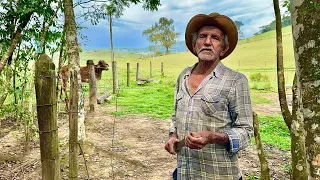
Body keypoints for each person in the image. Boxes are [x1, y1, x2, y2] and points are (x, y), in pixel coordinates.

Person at [164, 12, 253, 180]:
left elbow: (246, 131)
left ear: (223, 48)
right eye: (203, 36)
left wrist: (213, 137)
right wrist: (173, 136)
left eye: (215, 38)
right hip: (184, 172)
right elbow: (176, 116)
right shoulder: (183, 76)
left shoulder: (236, 81)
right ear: (194, 44)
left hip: (219, 174)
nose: (207, 42)